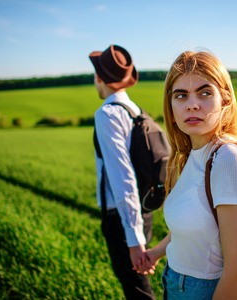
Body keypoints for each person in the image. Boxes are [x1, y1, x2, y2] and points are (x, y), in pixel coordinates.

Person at [136, 51, 237, 299]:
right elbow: (194, 225)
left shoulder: (227, 158)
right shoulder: (190, 156)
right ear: (171, 107)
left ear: (225, 100)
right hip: (174, 280)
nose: (192, 104)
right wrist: (156, 252)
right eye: (181, 95)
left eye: (205, 93)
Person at [89, 44, 155, 300]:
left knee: (138, 291)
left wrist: (133, 239)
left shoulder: (107, 114)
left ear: (99, 78)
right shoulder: (136, 111)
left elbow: (122, 177)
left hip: (122, 219)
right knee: (140, 286)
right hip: (143, 211)